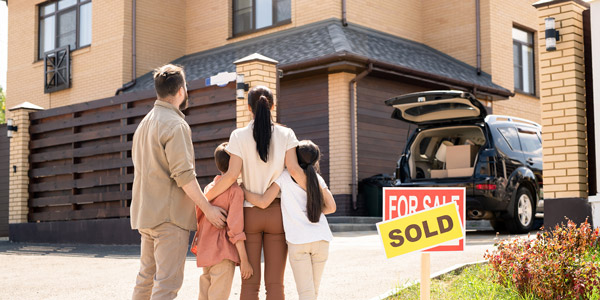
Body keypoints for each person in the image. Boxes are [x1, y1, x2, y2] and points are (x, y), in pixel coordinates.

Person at [130, 64, 227, 300]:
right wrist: (209, 209)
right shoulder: (176, 125)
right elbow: (184, 175)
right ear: (182, 90)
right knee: (167, 284)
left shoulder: (144, 124)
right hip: (169, 218)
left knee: (145, 279)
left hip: (146, 214)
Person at [203, 86, 307, 300]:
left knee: (249, 284)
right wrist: (316, 194)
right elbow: (295, 171)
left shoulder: (238, 136)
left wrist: (206, 199)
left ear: (248, 107)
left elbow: (231, 176)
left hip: (249, 215)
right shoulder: (287, 134)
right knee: (276, 285)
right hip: (278, 214)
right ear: (273, 106)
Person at [244, 140, 336, 300]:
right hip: (322, 239)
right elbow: (332, 207)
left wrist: (243, 191)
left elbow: (264, 202)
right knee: (313, 292)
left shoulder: (284, 177)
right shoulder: (317, 179)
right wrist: (313, 210)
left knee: (306, 293)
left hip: (299, 241)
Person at [190, 142, 253, 300]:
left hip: (206, 251)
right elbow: (235, 228)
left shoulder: (208, 188)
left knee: (204, 295)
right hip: (223, 253)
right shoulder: (235, 191)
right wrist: (245, 260)